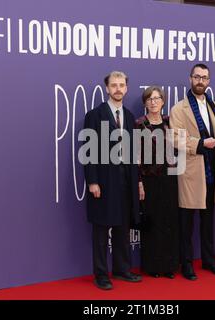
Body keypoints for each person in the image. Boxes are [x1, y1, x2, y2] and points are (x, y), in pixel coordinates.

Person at [170, 64, 215, 280]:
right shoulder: (179, 109)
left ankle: (209, 261)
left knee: (208, 223)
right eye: (197, 77)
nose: (200, 81)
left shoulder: (213, 105)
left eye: (205, 78)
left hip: (211, 172)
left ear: (208, 81)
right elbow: (176, 139)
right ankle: (186, 264)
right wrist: (200, 144)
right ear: (190, 79)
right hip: (190, 173)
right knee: (186, 224)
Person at [83, 71, 142, 290]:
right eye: (114, 85)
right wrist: (92, 181)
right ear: (107, 88)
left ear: (126, 88)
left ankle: (122, 269)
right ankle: (101, 274)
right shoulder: (94, 115)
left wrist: (136, 182)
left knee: (122, 227)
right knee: (101, 230)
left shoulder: (128, 115)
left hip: (125, 181)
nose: (118, 89)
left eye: (122, 85)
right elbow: (88, 153)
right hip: (103, 181)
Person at [135, 86, 179, 279]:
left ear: (163, 101)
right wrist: (139, 182)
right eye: (149, 98)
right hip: (148, 180)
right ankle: (152, 266)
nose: (153, 102)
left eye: (157, 98)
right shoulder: (139, 124)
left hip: (169, 179)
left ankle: (169, 265)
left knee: (169, 221)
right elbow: (135, 156)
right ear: (145, 103)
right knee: (152, 223)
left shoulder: (171, 122)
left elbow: (180, 149)